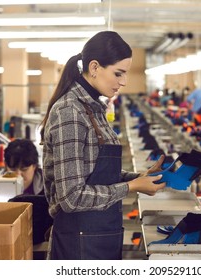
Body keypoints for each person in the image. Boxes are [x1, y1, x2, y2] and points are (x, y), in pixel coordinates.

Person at [40, 30, 166, 260]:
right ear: (95, 67)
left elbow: (93, 173)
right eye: (118, 73)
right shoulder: (70, 112)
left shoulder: (93, 108)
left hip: (99, 236)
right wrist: (132, 187)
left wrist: (137, 177)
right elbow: (72, 197)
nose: (124, 82)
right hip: (78, 244)